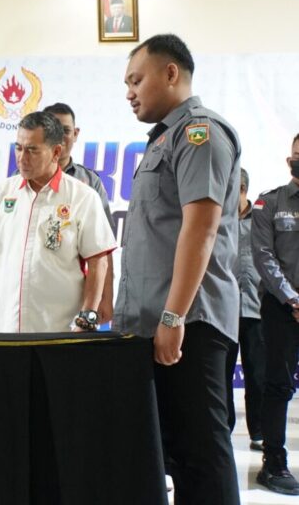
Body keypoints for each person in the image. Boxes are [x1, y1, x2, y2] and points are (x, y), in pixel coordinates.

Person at [114, 34, 241, 504]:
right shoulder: (164, 139)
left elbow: (201, 229)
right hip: (156, 324)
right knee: (175, 456)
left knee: (202, 455)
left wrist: (173, 317)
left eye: (136, 80)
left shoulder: (198, 133)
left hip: (190, 325)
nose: (129, 92)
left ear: (171, 73)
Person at [0, 111, 116, 334]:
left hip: (61, 332)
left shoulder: (83, 197)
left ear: (56, 152)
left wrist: (87, 316)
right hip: (7, 328)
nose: (21, 157)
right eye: (18, 148)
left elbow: (99, 261)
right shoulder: (1, 193)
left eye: (32, 150)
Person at [252, 134, 299, 495]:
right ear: (289, 161)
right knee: (278, 386)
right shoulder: (269, 203)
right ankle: (273, 462)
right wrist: (292, 299)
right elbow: (264, 257)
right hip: (282, 308)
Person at [43, 102, 115, 323]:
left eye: (65, 130)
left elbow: (104, 248)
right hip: (33, 293)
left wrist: (105, 298)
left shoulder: (89, 182)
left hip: (78, 294)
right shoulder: (19, 180)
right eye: (52, 130)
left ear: (75, 134)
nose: (60, 137)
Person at [224, 168, 265, 452]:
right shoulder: (216, 219)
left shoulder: (262, 221)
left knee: (257, 373)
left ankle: (260, 433)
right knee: (221, 375)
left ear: (242, 189)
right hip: (222, 308)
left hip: (256, 308)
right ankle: (222, 429)